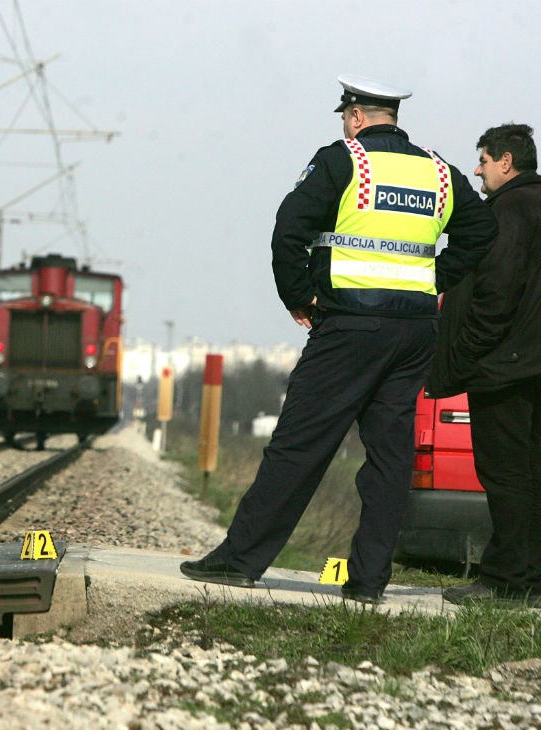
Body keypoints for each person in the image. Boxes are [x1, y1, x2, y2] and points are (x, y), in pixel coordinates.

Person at [180, 75, 497, 603]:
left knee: (299, 445)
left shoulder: (342, 160)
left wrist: (299, 296)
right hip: (414, 331)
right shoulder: (440, 172)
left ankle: (239, 561)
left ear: (354, 116)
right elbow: (481, 233)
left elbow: (289, 228)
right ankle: (369, 581)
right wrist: (435, 278)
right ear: (392, 115)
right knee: (391, 459)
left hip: (349, 326)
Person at [426, 123, 541, 607]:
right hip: (529, 365)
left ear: (506, 163)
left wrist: (468, 352)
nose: (478, 169)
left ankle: (506, 582)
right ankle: (529, 581)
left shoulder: (509, 210)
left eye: (484, 160)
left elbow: (496, 295)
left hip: (505, 368)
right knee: (530, 472)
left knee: (505, 474)